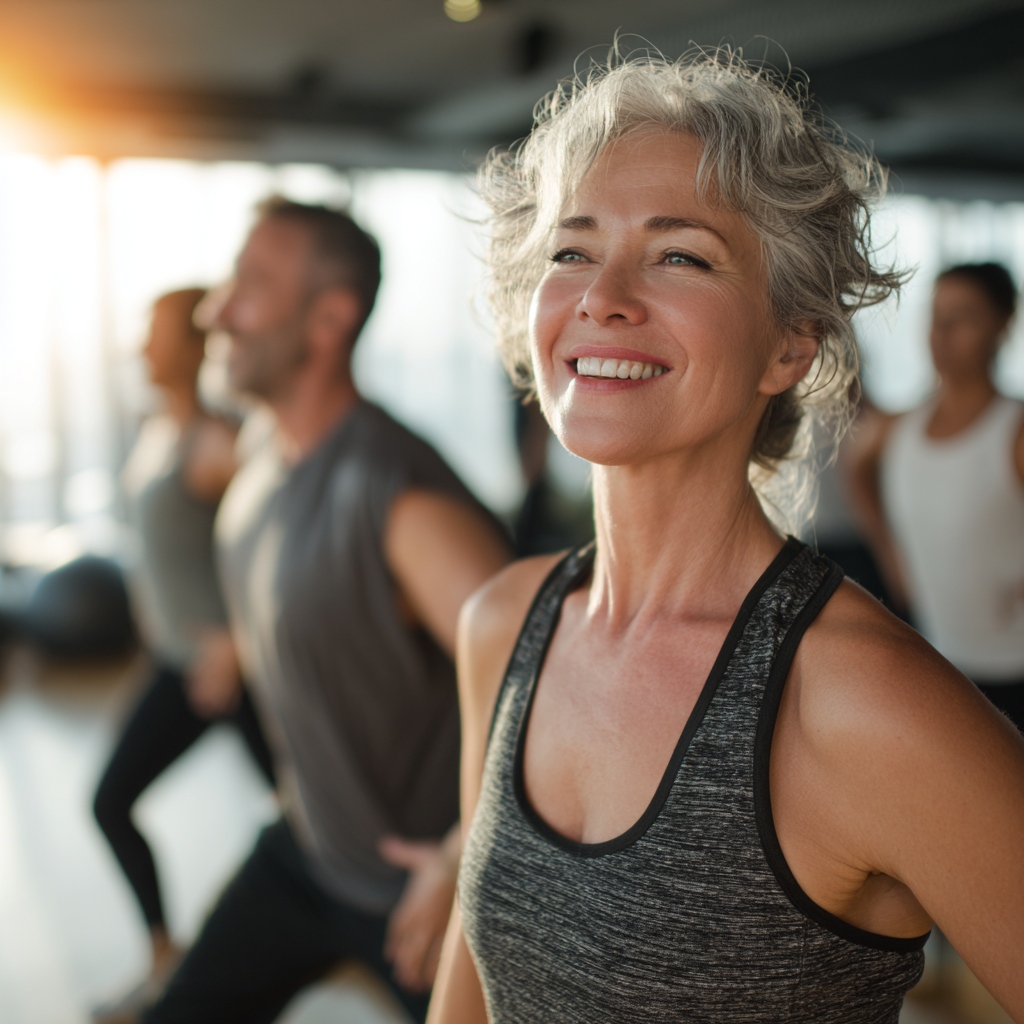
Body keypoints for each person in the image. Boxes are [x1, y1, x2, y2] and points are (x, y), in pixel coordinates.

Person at [427, 53, 1024, 1024]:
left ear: (791, 342)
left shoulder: (863, 705)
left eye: (681, 256)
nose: (602, 295)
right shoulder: (503, 625)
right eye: (570, 251)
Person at [142, 199, 511, 1024]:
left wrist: (461, 856)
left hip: (411, 886)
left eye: (249, 285)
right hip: (303, 848)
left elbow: (544, 690)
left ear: (329, 318)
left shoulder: (402, 500)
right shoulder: (259, 452)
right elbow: (301, 585)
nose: (213, 311)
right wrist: (240, 642)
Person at [93, 289, 276, 1023]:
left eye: (155, 334)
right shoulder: (156, 430)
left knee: (311, 813)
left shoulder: (215, 440)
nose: (143, 348)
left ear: (190, 345)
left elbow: (273, 546)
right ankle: (166, 959)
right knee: (112, 803)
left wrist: (237, 639)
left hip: (225, 670)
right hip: (174, 661)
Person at [852, 263, 1024, 733]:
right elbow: (856, 471)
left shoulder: (1014, 431)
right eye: (936, 315)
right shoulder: (900, 426)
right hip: (941, 665)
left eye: (963, 316)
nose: (941, 332)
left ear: (1002, 324)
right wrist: (892, 555)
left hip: (1015, 667)